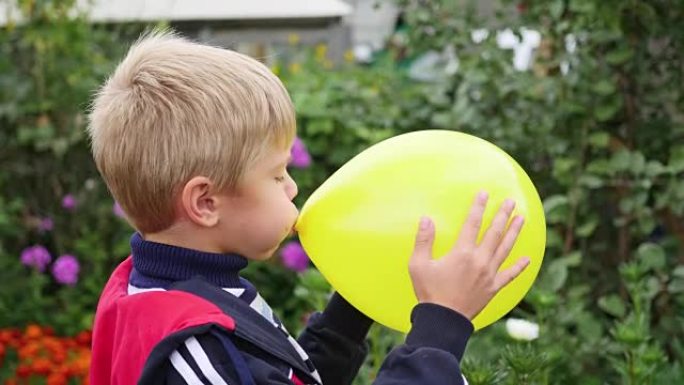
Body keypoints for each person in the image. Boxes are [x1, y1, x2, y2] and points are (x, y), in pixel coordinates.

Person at [87, 31, 530, 385]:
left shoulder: (181, 288)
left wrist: (350, 311)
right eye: (277, 174)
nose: (292, 186)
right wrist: (440, 329)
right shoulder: (189, 351)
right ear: (205, 202)